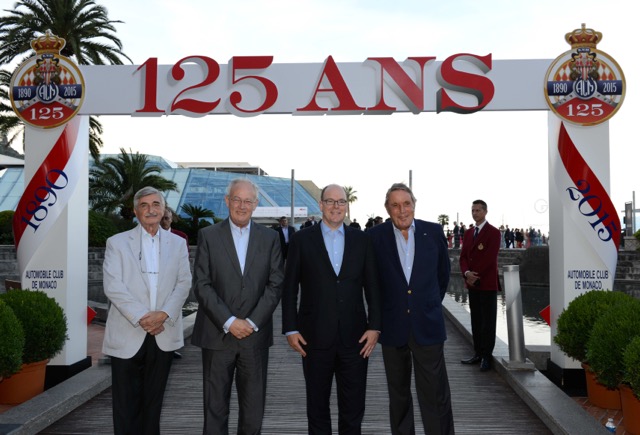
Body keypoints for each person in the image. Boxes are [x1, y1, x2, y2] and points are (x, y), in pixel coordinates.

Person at [282, 184, 382, 435]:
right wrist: (290, 328)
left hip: (356, 338)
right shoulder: (301, 240)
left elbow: (373, 287)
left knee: (353, 409)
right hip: (313, 337)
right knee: (317, 408)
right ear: (321, 204)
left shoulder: (362, 240)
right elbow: (289, 287)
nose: (336, 206)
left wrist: (375, 327)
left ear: (346, 206)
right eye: (330, 201)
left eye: (341, 202)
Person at [191, 179, 284, 434]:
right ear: (227, 201)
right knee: (214, 411)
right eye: (237, 199)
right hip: (216, 335)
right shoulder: (208, 236)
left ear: (255, 204)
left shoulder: (270, 238)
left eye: (247, 201)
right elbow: (202, 284)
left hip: (254, 338)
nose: (242, 206)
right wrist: (230, 321)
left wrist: (251, 322)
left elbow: (276, 284)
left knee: (253, 414)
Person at [102, 186, 192, 434]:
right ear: (135, 211)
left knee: (154, 404)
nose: (150, 210)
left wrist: (163, 314)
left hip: (163, 333)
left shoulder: (178, 244)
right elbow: (113, 286)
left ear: (163, 209)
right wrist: (144, 317)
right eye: (144, 205)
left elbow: (184, 283)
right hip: (127, 332)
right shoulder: (117, 243)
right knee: (125, 406)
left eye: (155, 204)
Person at [368, 183, 454, 435]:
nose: (402, 210)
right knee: (398, 396)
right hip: (392, 326)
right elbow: (371, 284)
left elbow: (442, 276)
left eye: (406, 204)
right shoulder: (374, 237)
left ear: (414, 205)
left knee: (435, 394)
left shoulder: (433, 232)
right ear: (387, 209)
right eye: (395, 205)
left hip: (428, 325)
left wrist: (426, 305)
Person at [459, 199, 501, 372]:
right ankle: (477, 353)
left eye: (478, 210)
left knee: (488, 322)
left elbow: (490, 258)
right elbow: (463, 257)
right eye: (473, 210)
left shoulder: (494, 232)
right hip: (472, 284)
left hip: (487, 283)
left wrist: (475, 275)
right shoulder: (469, 233)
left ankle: (486, 356)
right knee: (476, 320)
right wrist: (467, 273)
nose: (474, 213)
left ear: (485, 211)